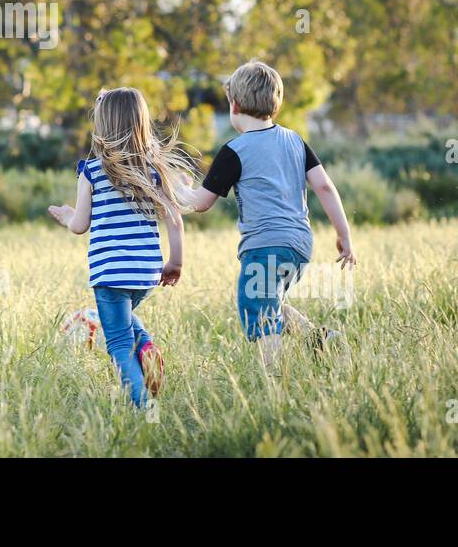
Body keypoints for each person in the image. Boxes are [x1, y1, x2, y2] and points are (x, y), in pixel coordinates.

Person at [177, 61, 357, 368]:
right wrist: (344, 235)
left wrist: (177, 187)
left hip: (265, 246)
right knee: (270, 301)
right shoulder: (296, 141)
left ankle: (275, 379)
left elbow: (200, 203)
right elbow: (324, 187)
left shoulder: (234, 151)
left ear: (234, 105)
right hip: (300, 245)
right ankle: (319, 340)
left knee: (257, 306)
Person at [48, 87, 192, 406]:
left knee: (117, 344)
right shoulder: (154, 170)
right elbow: (175, 220)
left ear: (102, 124)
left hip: (110, 274)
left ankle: (144, 408)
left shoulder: (92, 170)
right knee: (124, 322)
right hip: (146, 273)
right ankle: (147, 347)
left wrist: (67, 216)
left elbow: (80, 225)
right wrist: (175, 264)